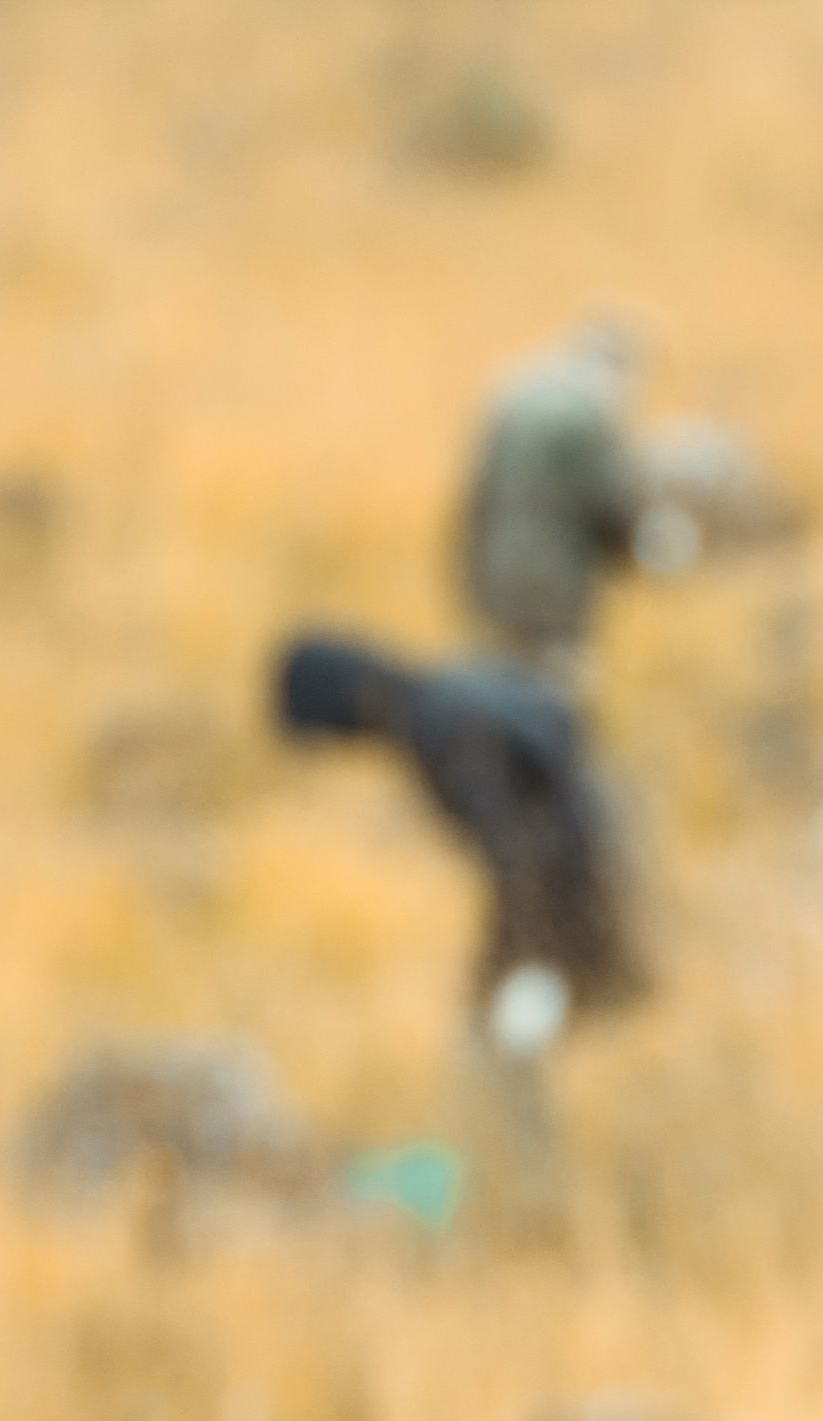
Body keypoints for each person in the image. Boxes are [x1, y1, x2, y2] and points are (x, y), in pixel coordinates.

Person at [269, 631, 644, 1063]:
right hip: (595, 850)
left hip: (582, 874)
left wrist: (505, 967)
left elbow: (516, 856)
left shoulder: (439, 729)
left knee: (520, 1047)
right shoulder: (450, 691)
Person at [451, 317, 667, 675]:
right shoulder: (590, 414)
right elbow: (612, 505)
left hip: (492, 577)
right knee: (556, 696)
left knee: (497, 688)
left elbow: (475, 496)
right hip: (556, 590)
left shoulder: (513, 397)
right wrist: (642, 552)